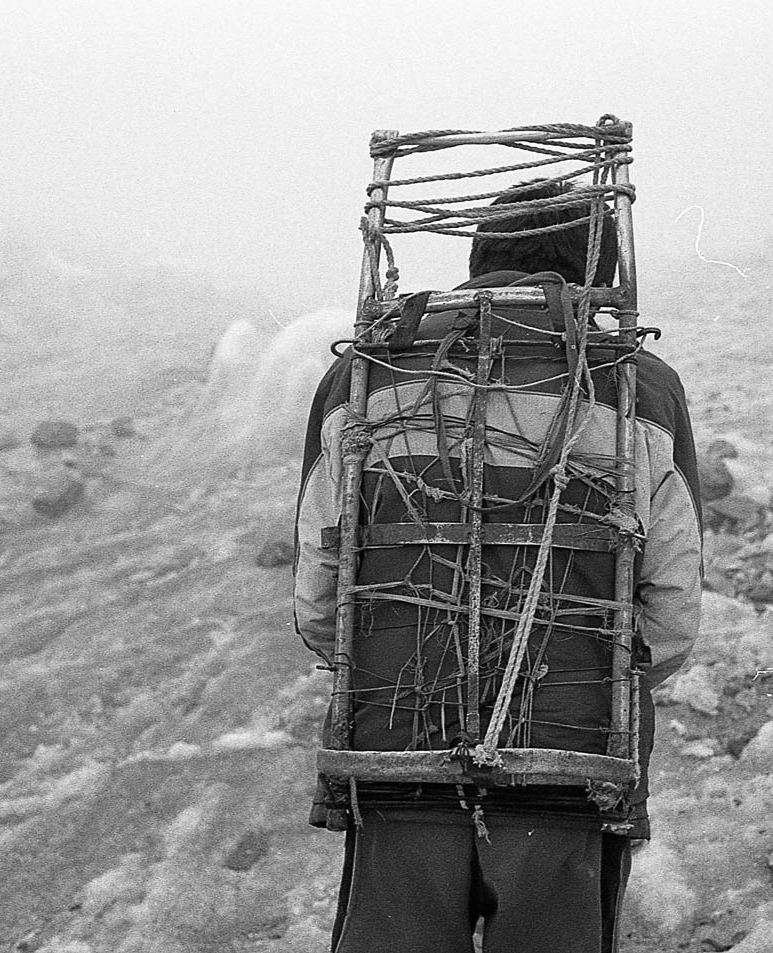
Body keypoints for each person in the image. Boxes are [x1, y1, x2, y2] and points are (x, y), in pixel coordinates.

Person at [293, 179, 702, 953]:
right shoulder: (638, 387)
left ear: (475, 259)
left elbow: (320, 599)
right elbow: (672, 618)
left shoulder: (364, 374)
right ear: (598, 274)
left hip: (394, 744)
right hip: (572, 754)